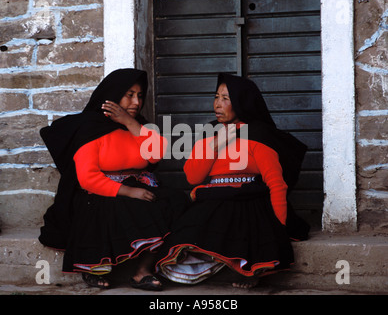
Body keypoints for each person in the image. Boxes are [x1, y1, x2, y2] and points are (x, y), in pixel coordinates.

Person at [39, 68, 188, 290]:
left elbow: (156, 153)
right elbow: (88, 178)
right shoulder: (89, 129)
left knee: (176, 201)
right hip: (101, 192)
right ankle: (94, 268)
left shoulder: (139, 127)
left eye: (139, 95)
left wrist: (129, 122)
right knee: (113, 208)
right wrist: (129, 191)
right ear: (113, 94)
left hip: (139, 187)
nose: (136, 101)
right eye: (129, 94)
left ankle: (142, 271)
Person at [156, 73, 310, 288]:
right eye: (216, 97)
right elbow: (193, 177)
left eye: (226, 99)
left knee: (235, 218)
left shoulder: (257, 136)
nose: (218, 105)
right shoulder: (210, 135)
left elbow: (276, 184)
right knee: (190, 229)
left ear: (241, 103)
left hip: (248, 201)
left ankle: (249, 270)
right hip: (214, 200)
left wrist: (279, 228)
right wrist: (217, 144)